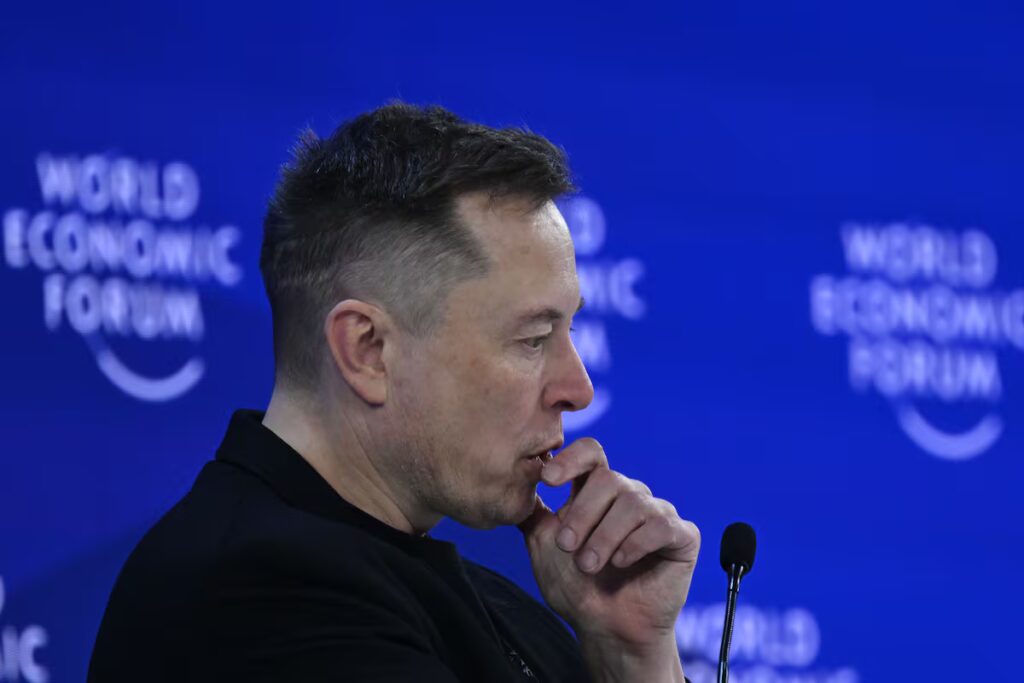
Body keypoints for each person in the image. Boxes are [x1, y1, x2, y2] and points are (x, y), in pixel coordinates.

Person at [88, 103, 700, 682]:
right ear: (368, 350)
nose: (579, 389)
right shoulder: (261, 598)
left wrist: (631, 656)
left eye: (570, 331)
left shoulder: (488, 600)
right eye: (533, 339)